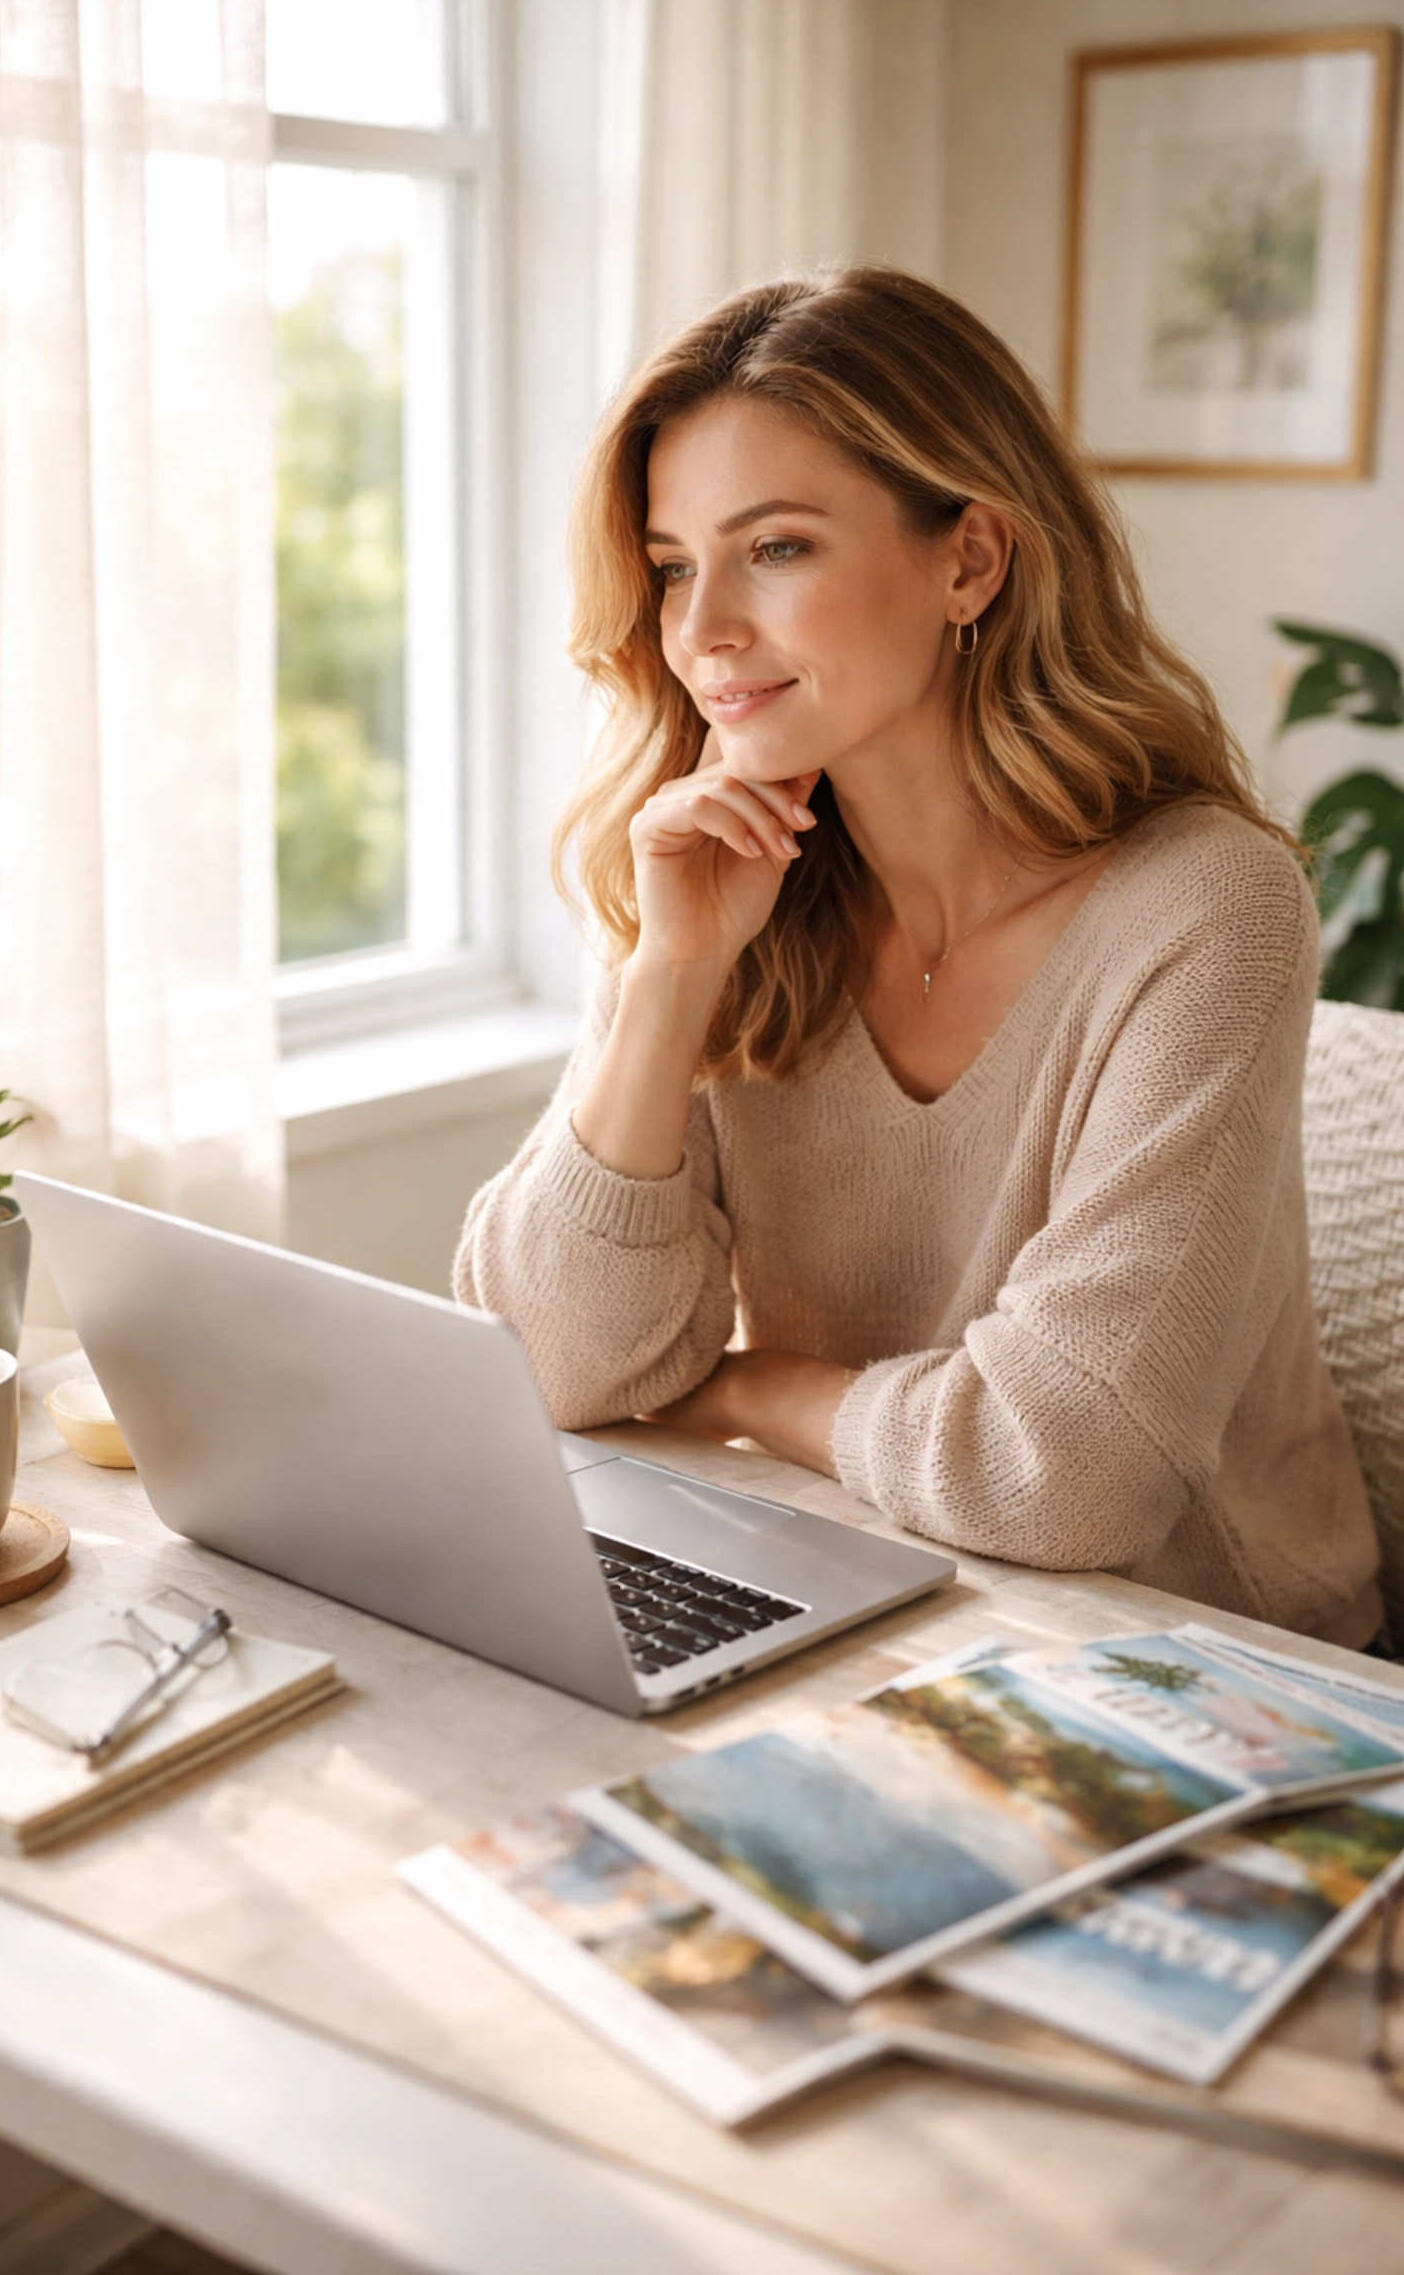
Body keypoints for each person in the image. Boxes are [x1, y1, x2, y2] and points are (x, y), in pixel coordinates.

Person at [454, 267, 1381, 1646]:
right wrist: (668, 982)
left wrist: (748, 1387)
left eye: (775, 549)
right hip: (865, 1582)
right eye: (669, 565)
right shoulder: (719, 875)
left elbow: (1064, 1477)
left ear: (970, 560)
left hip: (1199, 1661)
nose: (702, 629)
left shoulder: (1206, 908)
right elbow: (555, 1363)